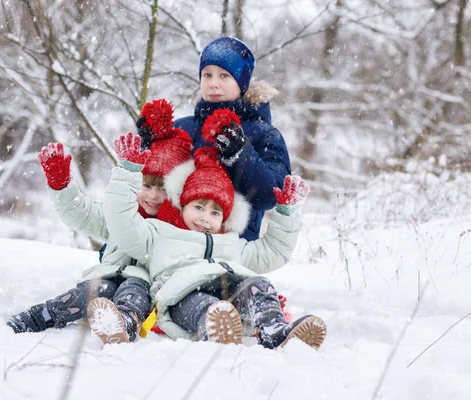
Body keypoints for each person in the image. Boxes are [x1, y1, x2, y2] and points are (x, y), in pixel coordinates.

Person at [97, 128, 327, 350]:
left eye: (215, 212)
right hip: (183, 296)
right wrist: (126, 173)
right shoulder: (159, 233)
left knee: (260, 286)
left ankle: (275, 330)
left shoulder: (231, 243)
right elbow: (123, 223)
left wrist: (287, 214)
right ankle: (215, 329)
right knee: (205, 306)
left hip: (230, 293)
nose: (206, 218)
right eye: (199, 207)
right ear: (182, 204)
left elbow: (274, 252)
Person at [7, 103, 193, 345]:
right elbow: (83, 214)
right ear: (136, 183)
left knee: (134, 290)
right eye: (147, 186)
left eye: (163, 189)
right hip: (107, 275)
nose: (153, 196)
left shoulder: (175, 231)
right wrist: (61, 185)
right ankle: (38, 316)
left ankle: (124, 323)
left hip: (145, 289)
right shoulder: (120, 216)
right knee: (89, 292)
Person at [137, 36, 291, 241]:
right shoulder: (183, 127)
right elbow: (152, 185)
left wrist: (240, 154)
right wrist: (149, 147)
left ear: (242, 83)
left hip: (231, 251)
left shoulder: (265, 134)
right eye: (207, 75)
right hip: (169, 243)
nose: (214, 84)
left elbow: (271, 196)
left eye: (224, 76)